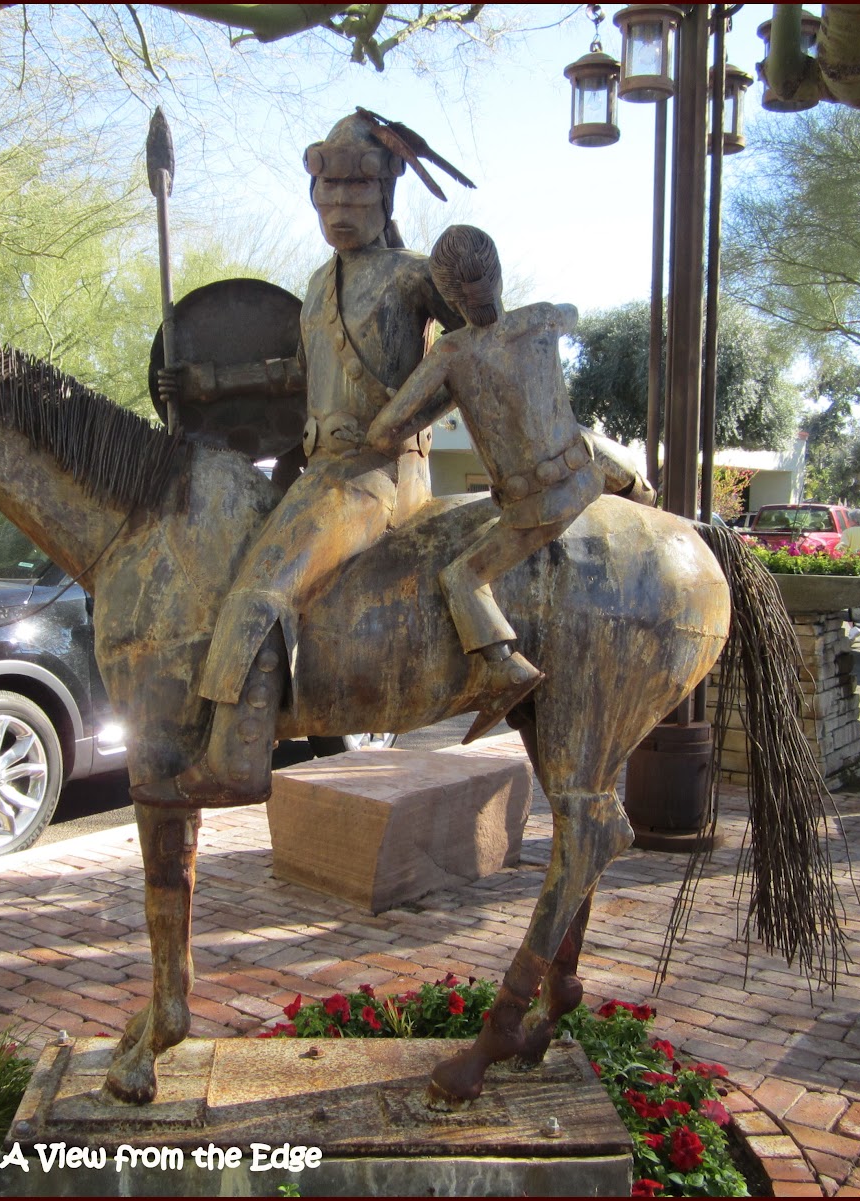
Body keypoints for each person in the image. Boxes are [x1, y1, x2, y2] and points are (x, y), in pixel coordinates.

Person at [130, 111, 466, 808]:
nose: (341, 207)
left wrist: (410, 417)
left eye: (356, 194)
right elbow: (298, 374)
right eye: (329, 195)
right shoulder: (318, 284)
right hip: (319, 472)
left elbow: (478, 351)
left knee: (262, 586)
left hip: (380, 478)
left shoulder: (413, 278)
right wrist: (207, 384)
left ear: (384, 200)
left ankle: (234, 757)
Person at [367, 225, 655, 742]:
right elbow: (574, 312)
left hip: (535, 508)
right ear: (497, 275)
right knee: (597, 442)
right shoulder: (544, 317)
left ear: (449, 297)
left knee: (460, 578)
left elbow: (384, 430)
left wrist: (445, 398)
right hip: (589, 473)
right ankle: (643, 493)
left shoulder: (452, 355)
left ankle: (504, 666)